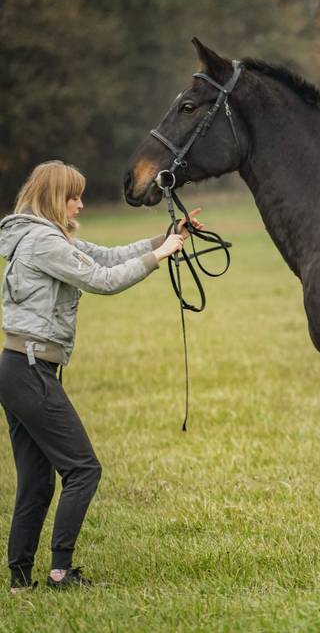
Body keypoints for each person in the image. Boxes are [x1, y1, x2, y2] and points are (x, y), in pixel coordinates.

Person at [0, 160, 198, 592]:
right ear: (56, 198)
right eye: (74, 198)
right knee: (83, 469)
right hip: (31, 370)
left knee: (37, 480)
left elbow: (106, 256)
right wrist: (159, 257)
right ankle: (60, 572)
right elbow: (103, 279)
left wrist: (164, 239)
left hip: (22, 368)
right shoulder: (43, 243)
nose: (81, 205)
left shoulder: (44, 237)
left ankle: (18, 581)